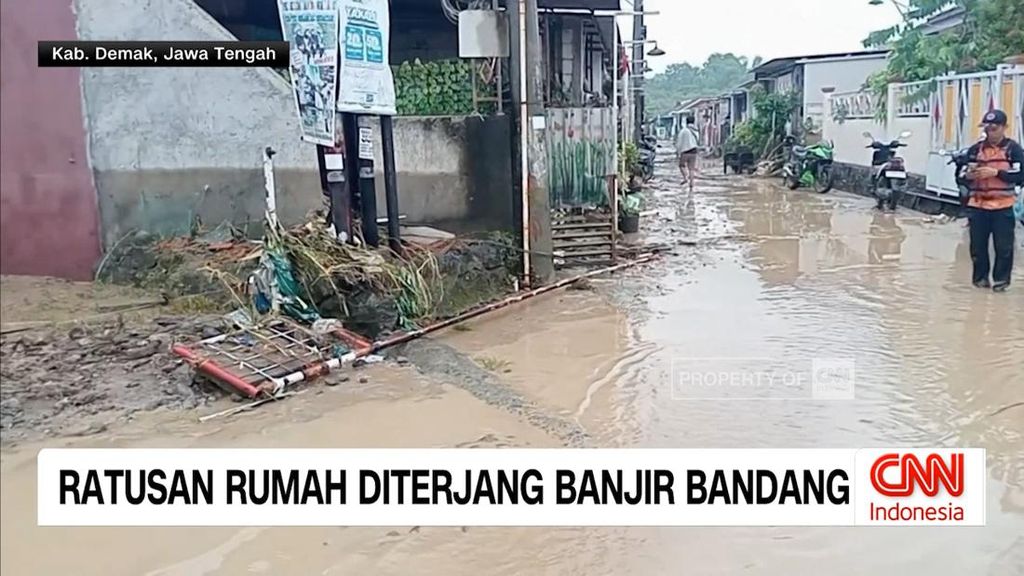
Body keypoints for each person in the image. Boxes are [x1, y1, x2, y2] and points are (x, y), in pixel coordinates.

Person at [962, 109, 1023, 292]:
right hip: (978, 204)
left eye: (994, 128)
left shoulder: (1014, 150)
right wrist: (969, 175)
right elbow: (960, 175)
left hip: (1002, 206)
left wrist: (997, 173)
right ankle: (980, 283)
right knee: (977, 249)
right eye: (987, 128)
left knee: (1004, 248)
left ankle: (1000, 283)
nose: (990, 132)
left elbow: (1021, 175)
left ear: (1004, 127)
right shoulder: (975, 150)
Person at [675, 116, 700, 192]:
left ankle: (685, 178)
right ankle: (691, 184)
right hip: (694, 151)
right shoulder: (696, 131)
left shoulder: (683, 131)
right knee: (691, 168)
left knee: (681, 165)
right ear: (693, 121)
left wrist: (677, 151)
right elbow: (697, 140)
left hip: (685, 151)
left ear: (686, 122)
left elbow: (679, 142)